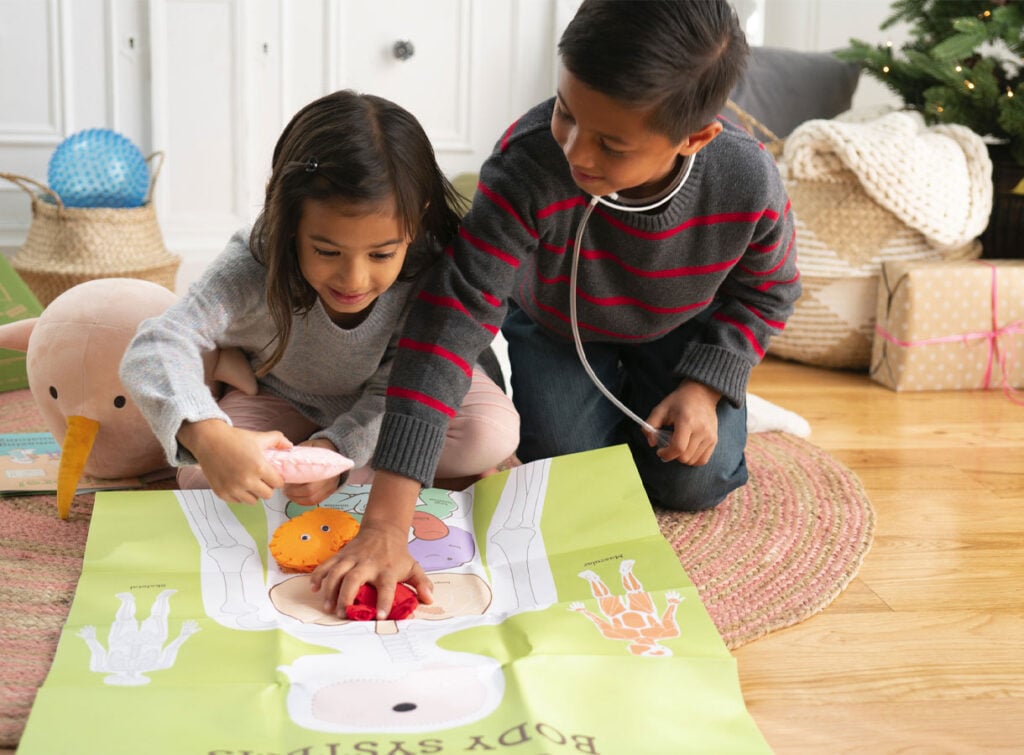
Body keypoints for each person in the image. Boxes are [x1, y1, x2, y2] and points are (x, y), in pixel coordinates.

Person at [309, 0, 801, 619]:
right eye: (566, 113)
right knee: (565, 473)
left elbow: (770, 289)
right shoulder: (528, 165)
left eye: (612, 146)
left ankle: (697, 401)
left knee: (693, 483)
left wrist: (707, 386)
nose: (576, 152)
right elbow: (450, 323)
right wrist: (385, 521)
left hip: (682, 332)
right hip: (558, 327)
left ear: (695, 138)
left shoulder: (746, 178)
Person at [120, 90, 520, 605]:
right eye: (326, 251)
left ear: (416, 222)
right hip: (287, 399)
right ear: (290, 224)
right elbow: (156, 343)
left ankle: (357, 467)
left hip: (391, 404)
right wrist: (210, 434)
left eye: (381, 253)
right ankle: (341, 462)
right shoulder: (255, 265)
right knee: (201, 475)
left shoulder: (431, 267)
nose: (354, 278)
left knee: (491, 433)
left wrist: (335, 452)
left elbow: (405, 386)